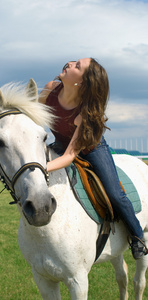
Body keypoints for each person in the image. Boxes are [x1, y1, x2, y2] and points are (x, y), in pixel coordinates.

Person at [39, 58, 147, 260]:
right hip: (61, 144)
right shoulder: (49, 89)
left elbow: (71, 155)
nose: (70, 63)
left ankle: (137, 236)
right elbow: (35, 122)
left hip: (91, 149)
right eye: (74, 61)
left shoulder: (85, 113)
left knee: (115, 193)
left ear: (83, 82)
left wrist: (40, 167)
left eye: (77, 66)